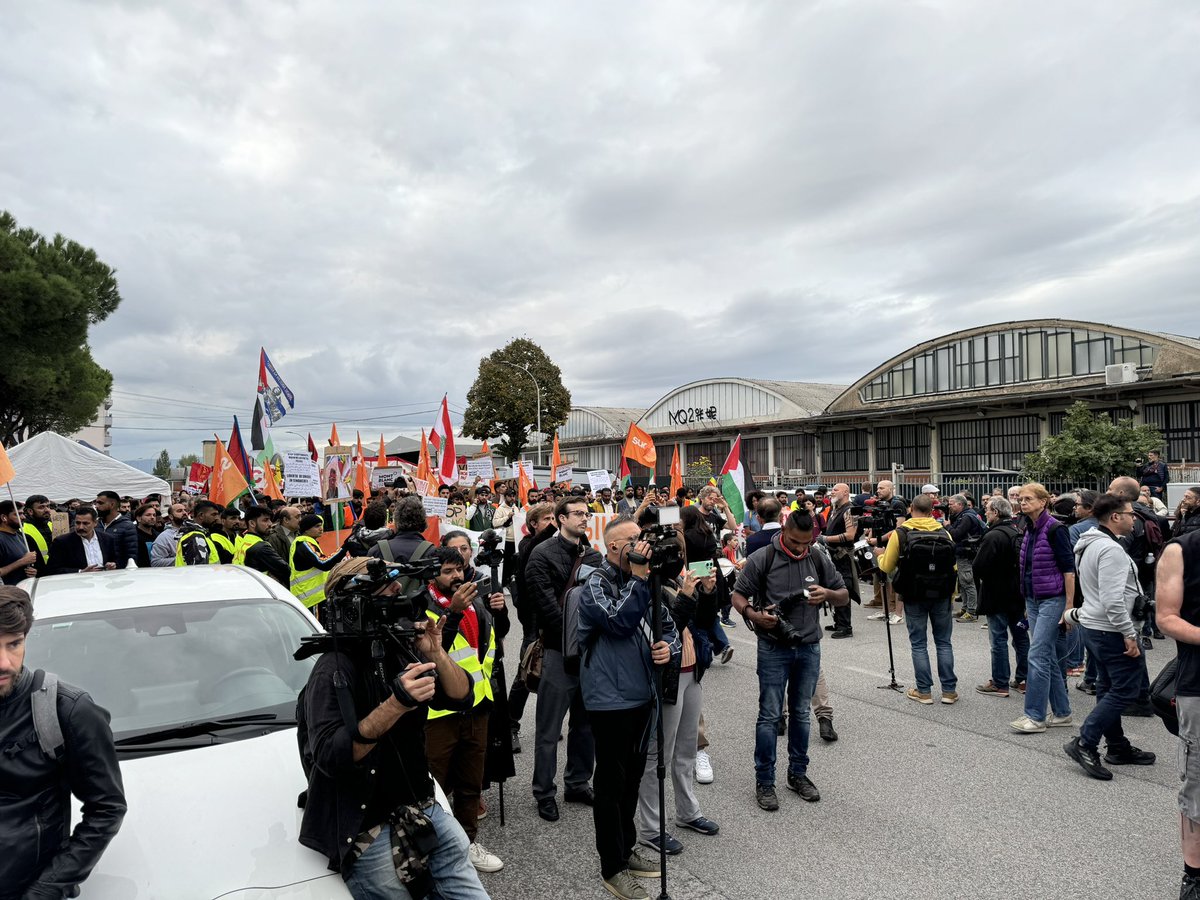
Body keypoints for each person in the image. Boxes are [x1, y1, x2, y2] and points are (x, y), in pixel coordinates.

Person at [297, 562, 487, 900]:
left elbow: (461, 697)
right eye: (387, 586)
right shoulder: (332, 669)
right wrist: (396, 703)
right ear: (356, 600)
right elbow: (331, 756)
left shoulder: (400, 648)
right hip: (369, 830)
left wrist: (435, 652)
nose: (399, 592)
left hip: (424, 809)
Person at [0, 586, 127, 898]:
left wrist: (45, 890)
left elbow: (107, 809)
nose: (4, 662)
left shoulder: (66, 710)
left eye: (14, 644)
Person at [577, 515, 680, 900]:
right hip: (609, 700)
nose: (642, 544)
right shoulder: (594, 583)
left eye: (641, 538)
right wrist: (638, 578)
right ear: (614, 547)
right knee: (611, 783)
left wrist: (667, 649)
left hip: (643, 696)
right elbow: (617, 622)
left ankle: (626, 847)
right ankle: (612, 867)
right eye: (633, 540)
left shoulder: (646, 581)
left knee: (633, 778)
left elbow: (669, 627)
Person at [731, 510, 849, 812]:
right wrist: (754, 615)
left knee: (801, 714)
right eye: (795, 542)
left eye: (806, 543)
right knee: (770, 716)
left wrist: (827, 593)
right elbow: (738, 596)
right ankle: (764, 781)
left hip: (808, 646)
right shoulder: (763, 557)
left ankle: (798, 774)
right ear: (784, 531)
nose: (800, 548)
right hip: (773, 647)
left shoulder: (817, 556)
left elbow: (844, 595)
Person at [419, 547, 505, 874]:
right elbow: (430, 655)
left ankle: (468, 843)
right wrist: (452, 612)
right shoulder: (422, 607)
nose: (456, 576)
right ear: (433, 575)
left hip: (477, 707)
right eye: (448, 571)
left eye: (459, 569)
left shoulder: (475, 602)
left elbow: (491, 646)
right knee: (434, 786)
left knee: (471, 782)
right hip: (439, 715)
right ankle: (432, 850)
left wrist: (499, 612)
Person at [1062, 493, 1156, 780]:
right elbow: (1112, 599)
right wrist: (1128, 632)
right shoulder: (1109, 549)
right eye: (1130, 514)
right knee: (1125, 690)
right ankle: (1085, 742)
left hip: (1097, 627)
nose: (1134, 519)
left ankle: (1117, 746)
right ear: (1115, 517)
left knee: (1108, 686)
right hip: (1111, 629)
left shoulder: (1091, 543)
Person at [635, 558, 720, 860]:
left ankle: (688, 812)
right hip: (666, 678)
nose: (676, 556)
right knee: (658, 754)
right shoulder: (646, 586)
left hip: (691, 670)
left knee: (686, 749)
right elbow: (667, 629)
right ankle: (650, 828)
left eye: (679, 549)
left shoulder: (677, 582)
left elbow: (705, 623)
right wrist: (685, 596)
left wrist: (707, 592)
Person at [525, 495, 601, 822]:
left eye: (587, 513)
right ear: (560, 518)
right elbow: (544, 606)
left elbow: (599, 600)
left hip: (589, 655)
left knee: (586, 726)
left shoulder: (594, 555)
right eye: (578, 513)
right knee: (548, 729)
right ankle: (544, 792)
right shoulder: (541, 555)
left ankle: (578, 783)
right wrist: (575, 636)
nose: (584, 518)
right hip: (557, 652)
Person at [877, 493, 959, 704]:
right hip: (941, 593)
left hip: (914, 594)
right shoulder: (944, 533)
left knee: (919, 643)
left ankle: (924, 691)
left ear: (911, 508)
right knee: (944, 642)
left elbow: (887, 565)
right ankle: (949, 691)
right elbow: (954, 567)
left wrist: (879, 555)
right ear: (932, 511)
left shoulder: (901, 533)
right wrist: (952, 594)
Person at [1154, 525, 1200, 899]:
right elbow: (1166, 617)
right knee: (1198, 785)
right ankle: (1194, 875)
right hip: (1199, 686)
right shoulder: (1182, 550)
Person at [1010, 483, 1075, 733]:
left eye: (1028, 499)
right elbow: (1027, 568)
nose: (1022, 502)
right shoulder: (1029, 527)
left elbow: (1069, 570)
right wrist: (1028, 601)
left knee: (1037, 655)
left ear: (1043, 501)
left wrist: (1068, 607)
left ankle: (1035, 716)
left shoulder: (1056, 528)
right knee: (1045, 657)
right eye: (1021, 499)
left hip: (1052, 599)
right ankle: (1062, 712)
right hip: (1034, 599)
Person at [507, 501, 556, 754]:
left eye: (554, 518)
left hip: (554, 618)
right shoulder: (526, 546)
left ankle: (548, 724)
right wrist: (556, 527)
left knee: (554, 674)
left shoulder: (559, 546)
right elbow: (530, 552)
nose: (552, 523)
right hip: (534, 623)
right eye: (547, 519)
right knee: (526, 674)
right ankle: (510, 725)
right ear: (533, 524)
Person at [973, 497, 1029, 697]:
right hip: (1018, 594)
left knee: (998, 639)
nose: (985, 513)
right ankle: (1024, 679)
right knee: (1021, 638)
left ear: (996, 512)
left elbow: (979, 566)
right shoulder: (1018, 531)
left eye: (988, 510)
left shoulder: (993, 535)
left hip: (996, 594)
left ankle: (1000, 682)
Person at [817, 482, 859, 639]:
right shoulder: (835, 509)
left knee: (843, 587)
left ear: (846, 492)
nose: (831, 492)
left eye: (835, 490)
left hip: (843, 556)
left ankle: (845, 626)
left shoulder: (850, 510)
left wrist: (826, 539)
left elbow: (850, 535)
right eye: (832, 490)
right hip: (832, 555)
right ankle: (838, 621)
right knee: (833, 586)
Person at [290, 514, 350, 618]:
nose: (321, 528)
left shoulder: (306, 543)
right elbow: (324, 564)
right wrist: (344, 548)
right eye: (317, 526)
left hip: (313, 598)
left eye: (321, 525)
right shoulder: (304, 543)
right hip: (311, 600)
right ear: (306, 529)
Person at [946, 493, 985, 622]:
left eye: (951, 504)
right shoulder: (965, 515)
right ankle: (965, 608)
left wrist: (947, 525)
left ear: (960, 504)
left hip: (966, 553)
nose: (949, 506)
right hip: (963, 553)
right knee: (963, 582)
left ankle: (972, 612)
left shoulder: (967, 517)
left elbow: (956, 534)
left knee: (968, 582)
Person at [47, 507, 120, 574]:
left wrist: (112, 565)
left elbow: (116, 560)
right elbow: (53, 569)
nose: (81, 527)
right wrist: (81, 572)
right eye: (78, 523)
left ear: (95, 523)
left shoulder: (107, 539)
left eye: (85, 523)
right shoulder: (62, 542)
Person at [235, 505, 292, 584]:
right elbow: (286, 570)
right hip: (261, 587)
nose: (270, 523)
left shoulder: (244, 541)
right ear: (252, 523)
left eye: (270, 520)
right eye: (265, 520)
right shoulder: (261, 547)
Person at [0, 500, 38, 585]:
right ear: (3, 517)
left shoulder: (20, 536)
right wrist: (22, 561)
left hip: (23, 589)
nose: (23, 517)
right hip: (7, 591)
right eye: (18, 514)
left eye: (23, 513)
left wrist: (31, 572)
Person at [174, 499, 223, 566]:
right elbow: (198, 570)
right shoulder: (195, 537)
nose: (217, 518)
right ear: (201, 515)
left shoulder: (197, 534)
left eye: (217, 515)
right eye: (213, 514)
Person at [21, 494, 54, 575]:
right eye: (41, 507)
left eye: (48, 506)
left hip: (55, 570)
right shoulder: (22, 529)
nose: (47, 510)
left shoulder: (51, 524)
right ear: (30, 511)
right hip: (36, 575)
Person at [149, 501, 189, 567]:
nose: (184, 513)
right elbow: (156, 562)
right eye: (179, 511)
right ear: (171, 517)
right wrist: (183, 559)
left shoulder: (195, 531)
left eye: (185, 510)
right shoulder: (164, 537)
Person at [132, 502, 161, 568]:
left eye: (154, 515)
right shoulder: (133, 536)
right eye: (148, 515)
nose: (152, 517)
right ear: (139, 518)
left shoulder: (158, 535)